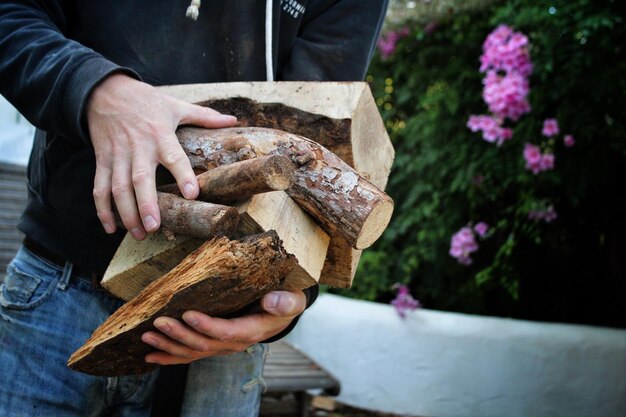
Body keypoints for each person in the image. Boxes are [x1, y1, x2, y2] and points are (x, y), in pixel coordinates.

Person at [0, 1, 388, 416]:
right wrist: (96, 89)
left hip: (222, 324)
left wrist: (289, 297)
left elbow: (324, 129)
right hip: (63, 290)